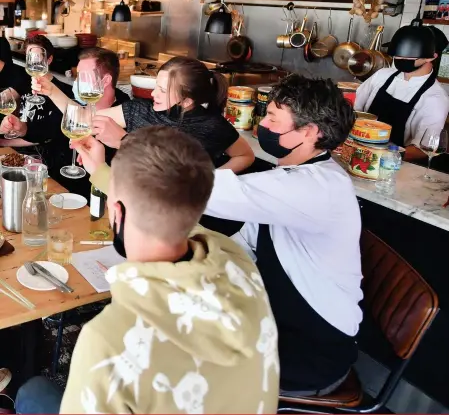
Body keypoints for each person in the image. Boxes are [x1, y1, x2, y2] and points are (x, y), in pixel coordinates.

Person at [71, 74, 363, 397]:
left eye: (271, 118)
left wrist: (120, 152)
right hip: (275, 323)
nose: (261, 125)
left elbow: (193, 189)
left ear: (309, 132)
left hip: (310, 351)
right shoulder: (292, 178)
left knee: (164, 359)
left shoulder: (318, 188)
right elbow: (243, 246)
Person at [16, 126, 279, 414]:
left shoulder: (109, 339)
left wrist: (107, 174)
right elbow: (180, 213)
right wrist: (101, 170)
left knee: (34, 392)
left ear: (116, 213)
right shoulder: (236, 259)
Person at [35, 55, 255, 173]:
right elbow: (82, 119)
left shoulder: (213, 127)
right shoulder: (138, 109)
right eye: (155, 85)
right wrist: (51, 91)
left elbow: (245, 156)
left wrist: (215, 180)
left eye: (162, 90)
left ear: (188, 100)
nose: (152, 93)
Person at [0, 45, 129, 196]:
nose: (77, 81)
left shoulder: (127, 117)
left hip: (90, 194)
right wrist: (23, 128)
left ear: (106, 80)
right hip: (53, 180)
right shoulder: (74, 103)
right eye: (78, 75)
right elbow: (47, 129)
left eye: (83, 76)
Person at [355, 21, 449, 161]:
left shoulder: (434, 98)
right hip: (355, 147)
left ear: (432, 57)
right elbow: (354, 109)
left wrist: (383, 156)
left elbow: (423, 149)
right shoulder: (382, 75)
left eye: (408, 55)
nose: (400, 59)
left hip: (391, 164)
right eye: (397, 54)